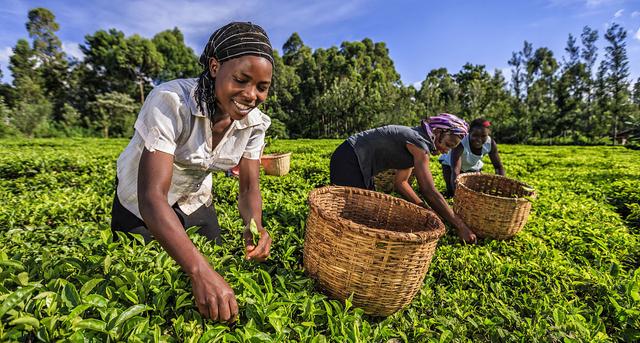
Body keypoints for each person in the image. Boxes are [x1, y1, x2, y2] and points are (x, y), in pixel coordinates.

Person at [110, 22, 274, 322]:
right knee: (151, 278)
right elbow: (152, 197)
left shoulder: (256, 124)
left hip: (193, 198)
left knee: (220, 266)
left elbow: (249, 188)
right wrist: (199, 271)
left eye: (262, 88)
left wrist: (255, 226)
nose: (251, 95)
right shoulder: (170, 101)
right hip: (140, 203)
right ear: (215, 67)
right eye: (241, 79)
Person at [329, 113, 477, 243]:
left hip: (359, 165)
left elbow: (401, 183)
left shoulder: (417, 140)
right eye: (448, 144)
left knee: (368, 211)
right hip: (349, 159)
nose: (446, 150)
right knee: (358, 214)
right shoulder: (419, 143)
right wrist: (460, 226)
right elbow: (428, 190)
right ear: (438, 132)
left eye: (451, 148)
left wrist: (424, 209)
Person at [439, 118, 505, 196]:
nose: (479, 139)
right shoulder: (461, 143)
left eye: (483, 136)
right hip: (450, 166)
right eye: (475, 135)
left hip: (472, 167)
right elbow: (455, 170)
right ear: (469, 132)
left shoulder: (490, 144)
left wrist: (501, 186)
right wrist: (457, 195)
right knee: (451, 192)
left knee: (474, 192)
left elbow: (498, 166)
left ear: (488, 134)